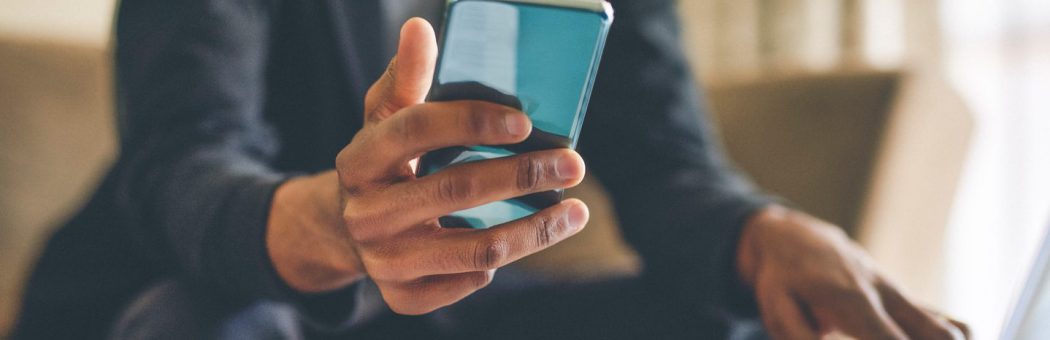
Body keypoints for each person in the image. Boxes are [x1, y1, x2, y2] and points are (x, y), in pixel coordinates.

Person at [13, 1, 969, 339]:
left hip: (453, 313)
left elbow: (666, 162)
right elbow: (181, 163)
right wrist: (343, 227)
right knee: (203, 324)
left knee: (734, 321)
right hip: (201, 287)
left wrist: (765, 235)